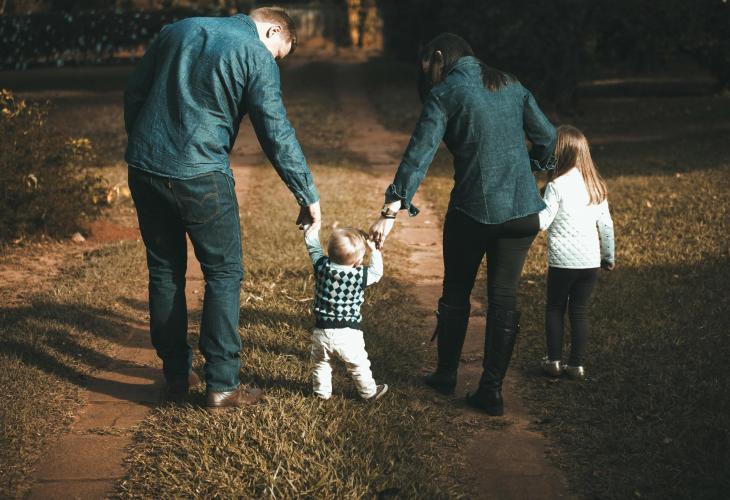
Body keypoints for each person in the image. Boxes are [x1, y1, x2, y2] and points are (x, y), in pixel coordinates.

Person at [124, 7, 321, 409]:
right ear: (273, 29)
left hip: (145, 168)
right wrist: (306, 193)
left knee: (164, 270)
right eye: (278, 53)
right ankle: (223, 384)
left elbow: (135, 93)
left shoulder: (177, 29)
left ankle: (176, 375)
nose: (274, 60)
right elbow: (275, 130)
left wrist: (145, 146)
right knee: (224, 273)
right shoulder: (256, 54)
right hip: (201, 175)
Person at [369, 33, 557, 416]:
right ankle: (491, 391)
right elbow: (549, 137)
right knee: (504, 298)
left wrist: (390, 212)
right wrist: (531, 167)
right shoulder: (510, 83)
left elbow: (418, 156)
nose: (429, 77)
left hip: (473, 212)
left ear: (439, 57)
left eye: (429, 68)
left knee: (456, 291)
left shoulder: (445, 93)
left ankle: (445, 375)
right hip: (522, 212)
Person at [538, 125, 615, 381]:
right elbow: (606, 226)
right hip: (589, 263)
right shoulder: (596, 186)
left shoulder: (556, 186)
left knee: (555, 309)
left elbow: (543, 222)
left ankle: (554, 362)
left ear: (559, 154)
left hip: (562, 263)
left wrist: (529, 209)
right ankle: (576, 366)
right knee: (580, 311)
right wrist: (608, 257)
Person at [303, 223, 388, 401]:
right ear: (357, 262)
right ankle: (369, 392)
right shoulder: (359, 276)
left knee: (321, 363)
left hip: (322, 331)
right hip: (349, 334)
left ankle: (321, 393)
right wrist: (374, 251)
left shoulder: (322, 266)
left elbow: (313, 248)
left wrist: (310, 230)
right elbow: (376, 273)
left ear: (330, 252)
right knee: (358, 364)